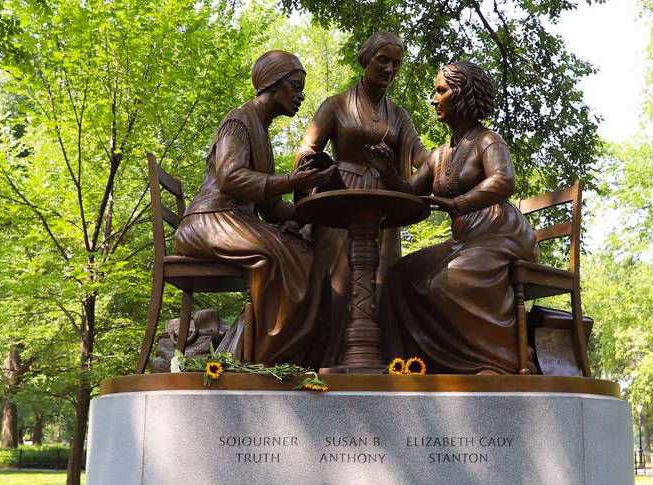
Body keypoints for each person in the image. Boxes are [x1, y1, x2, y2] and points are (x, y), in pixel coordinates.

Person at [373, 61, 539, 374]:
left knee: (445, 282)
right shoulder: (439, 155)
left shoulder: (488, 141)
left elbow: (504, 181)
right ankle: (414, 365)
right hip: (465, 240)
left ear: (462, 94)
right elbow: (411, 190)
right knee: (399, 274)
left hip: (500, 235)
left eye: (441, 91)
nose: (434, 99)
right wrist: (387, 171)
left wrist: (458, 203)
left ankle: (500, 361)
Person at [173, 50, 333, 365]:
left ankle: (246, 356)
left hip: (235, 222)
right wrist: (291, 180)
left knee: (306, 255)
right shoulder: (239, 120)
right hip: (209, 221)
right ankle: (256, 359)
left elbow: (271, 208)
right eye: (295, 87)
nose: (300, 96)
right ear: (273, 82)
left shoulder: (261, 130)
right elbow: (230, 177)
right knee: (279, 257)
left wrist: (311, 210)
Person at [295, 31, 428, 367]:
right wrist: (310, 182)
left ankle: (377, 358)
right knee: (336, 281)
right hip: (340, 199)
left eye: (396, 63)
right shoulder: (336, 105)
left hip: (383, 205)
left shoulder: (399, 115)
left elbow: (422, 158)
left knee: (383, 280)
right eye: (382, 60)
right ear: (366, 59)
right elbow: (308, 148)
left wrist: (451, 159)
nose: (389, 69)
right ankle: (329, 359)